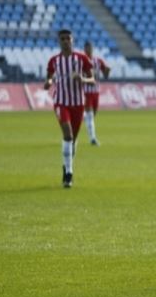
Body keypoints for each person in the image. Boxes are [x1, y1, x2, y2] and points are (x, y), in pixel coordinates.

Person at [44, 29, 94, 188]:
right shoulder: (53, 61)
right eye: (62, 39)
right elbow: (50, 78)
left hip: (78, 104)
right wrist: (49, 83)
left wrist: (83, 78)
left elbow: (92, 79)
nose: (65, 41)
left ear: (73, 40)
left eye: (68, 38)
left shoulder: (82, 59)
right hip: (61, 102)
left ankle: (66, 165)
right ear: (59, 41)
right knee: (68, 134)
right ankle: (69, 173)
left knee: (72, 141)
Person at [83, 41, 111, 146]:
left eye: (90, 47)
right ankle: (93, 139)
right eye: (87, 48)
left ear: (92, 48)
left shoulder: (98, 61)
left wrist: (107, 71)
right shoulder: (81, 61)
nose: (88, 49)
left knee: (92, 115)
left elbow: (106, 75)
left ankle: (82, 117)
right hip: (86, 93)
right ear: (84, 49)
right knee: (90, 115)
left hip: (96, 93)